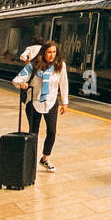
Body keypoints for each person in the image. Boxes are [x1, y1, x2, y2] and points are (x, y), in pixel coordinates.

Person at [16, 41, 67, 172]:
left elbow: (63, 83)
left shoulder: (60, 65)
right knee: (33, 133)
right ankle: (31, 161)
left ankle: (44, 158)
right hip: (34, 102)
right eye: (49, 52)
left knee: (52, 132)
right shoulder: (33, 66)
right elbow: (17, 79)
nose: (52, 55)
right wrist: (22, 84)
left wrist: (65, 102)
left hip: (51, 102)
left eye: (54, 52)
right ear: (43, 53)